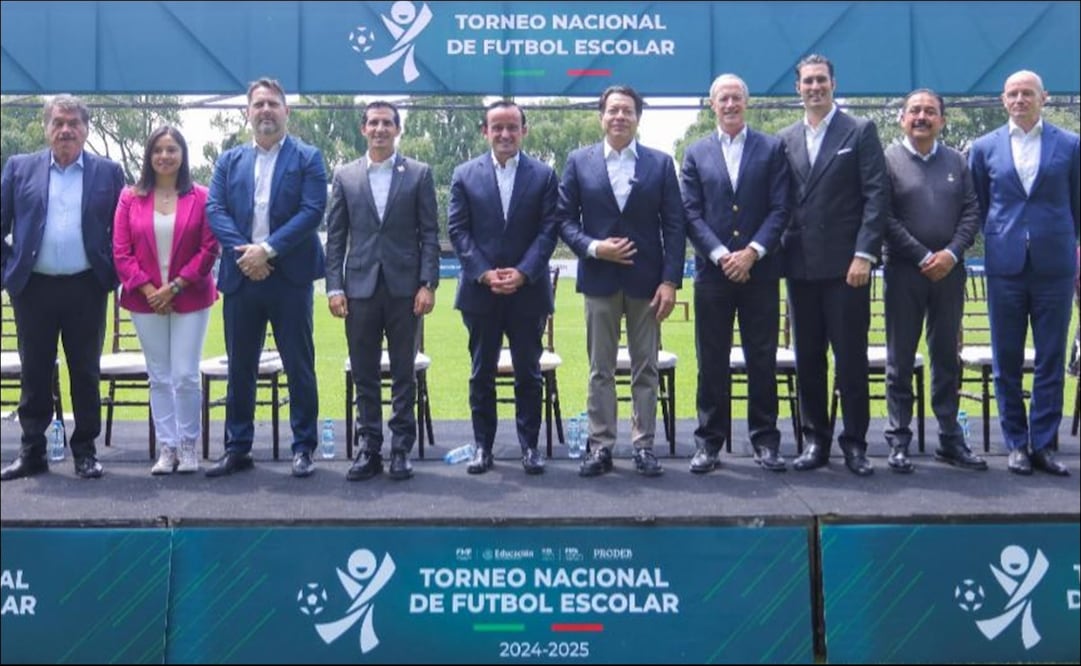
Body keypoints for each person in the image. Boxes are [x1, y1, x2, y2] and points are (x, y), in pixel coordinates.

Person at [559, 85, 686, 478]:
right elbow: (564, 220)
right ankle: (600, 447)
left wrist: (670, 281)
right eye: (612, 110)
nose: (619, 117)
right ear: (601, 116)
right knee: (600, 369)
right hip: (599, 281)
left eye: (627, 111)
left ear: (637, 117)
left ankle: (643, 446)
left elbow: (675, 226)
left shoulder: (660, 164)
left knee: (646, 369)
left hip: (647, 284)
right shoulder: (579, 162)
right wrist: (595, 247)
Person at [206, 77, 328, 479]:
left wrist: (268, 250)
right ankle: (237, 447)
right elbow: (215, 209)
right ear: (247, 113)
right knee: (240, 367)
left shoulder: (308, 157)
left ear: (286, 111)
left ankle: (303, 447)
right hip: (242, 275)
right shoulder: (229, 161)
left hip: (289, 277)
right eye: (258, 104)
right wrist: (248, 253)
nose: (265, 111)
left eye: (273, 104)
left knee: (299, 365)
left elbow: (312, 211)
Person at [0, 95, 125, 481]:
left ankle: (85, 451)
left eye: (73, 123)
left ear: (86, 129)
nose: (66, 130)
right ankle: (32, 451)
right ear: (46, 128)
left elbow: (123, 229)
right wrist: (8, 273)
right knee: (34, 372)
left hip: (87, 287)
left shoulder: (109, 172)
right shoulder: (19, 168)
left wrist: (112, 273)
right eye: (58, 122)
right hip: (33, 289)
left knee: (85, 371)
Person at [777, 54, 888, 476]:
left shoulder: (859, 130)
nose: (814, 87)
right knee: (808, 358)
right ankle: (815, 441)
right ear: (798, 88)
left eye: (821, 80)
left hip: (848, 268)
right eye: (807, 81)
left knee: (851, 359)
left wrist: (864, 254)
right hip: (800, 267)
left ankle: (855, 443)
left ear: (833, 84)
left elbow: (876, 196)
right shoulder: (785, 138)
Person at [969, 70, 1079, 477]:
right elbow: (980, 203)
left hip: (1054, 266)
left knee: (1051, 359)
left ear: (1043, 97)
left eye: (1027, 93)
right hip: (1005, 266)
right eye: (1012, 94)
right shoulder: (984, 148)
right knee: (1007, 360)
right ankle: (1016, 443)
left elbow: (1077, 204)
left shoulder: (1070, 145)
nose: (1019, 100)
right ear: (1003, 100)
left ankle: (1044, 445)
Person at [681, 74, 790, 473]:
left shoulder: (772, 148)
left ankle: (765, 441)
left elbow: (781, 208)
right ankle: (709, 443)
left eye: (736, 98)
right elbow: (690, 212)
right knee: (711, 360)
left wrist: (752, 253)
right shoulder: (696, 153)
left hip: (760, 272)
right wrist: (723, 255)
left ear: (747, 102)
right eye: (723, 99)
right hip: (713, 275)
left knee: (762, 359)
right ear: (712, 104)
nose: (730, 104)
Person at [325, 101, 439, 482]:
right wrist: (334, 287)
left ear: (397, 129)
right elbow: (336, 238)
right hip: (358, 289)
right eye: (373, 123)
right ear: (363, 129)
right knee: (364, 373)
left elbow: (430, 234)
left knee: (404, 372)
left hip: (406, 290)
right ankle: (369, 448)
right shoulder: (345, 176)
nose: (379, 129)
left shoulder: (419, 174)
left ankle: (401, 449)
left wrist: (428, 284)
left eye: (387, 123)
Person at [448, 101, 560, 475]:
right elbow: (458, 231)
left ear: (524, 131)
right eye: (497, 127)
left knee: (528, 373)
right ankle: (483, 447)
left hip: (528, 293)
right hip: (481, 294)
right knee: (482, 373)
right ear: (485, 131)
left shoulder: (544, 175)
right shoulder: (464, 175)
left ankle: (530, 447)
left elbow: (549, 230)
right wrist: (484, 273)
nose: (505, 134)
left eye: (512, 127)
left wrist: (523, 272)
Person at [882, 90, 986, 473]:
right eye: (914, 110)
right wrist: (923, 255)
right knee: (900, 359)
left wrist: (950, 254)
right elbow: (883, 216)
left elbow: (972, 212)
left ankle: (949, 439)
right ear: (902, 118)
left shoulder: (957, 161)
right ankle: (898, 439)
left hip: (949, 273)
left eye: (930, 111)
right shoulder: (887, 160)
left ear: (942, 119)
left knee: (945, 357)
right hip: (904, 271)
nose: (922, 117)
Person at [112, 126, 219, 475]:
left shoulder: (201, 196)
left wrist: (173, 287)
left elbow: (209, 249)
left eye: (172, 149)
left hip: (190, 296)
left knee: (185, 374)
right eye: (158, 149)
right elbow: (121, 251)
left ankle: (188, 445)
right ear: (149, 156)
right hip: (145, 300)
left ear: (183, 154)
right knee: (159, 375)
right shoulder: (130, 197)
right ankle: (167, 447)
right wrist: (150, 291)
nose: (165, 156)